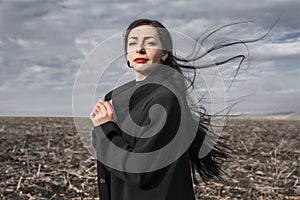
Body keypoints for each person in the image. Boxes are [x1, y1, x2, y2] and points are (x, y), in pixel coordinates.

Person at [89, 19, 246, 200]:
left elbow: (141, 172)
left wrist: (105, 128)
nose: (140, 49)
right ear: (127, 56)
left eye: (150, 42)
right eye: (133, 43)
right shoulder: (114, 98)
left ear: (164, 53)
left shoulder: (166, 98)